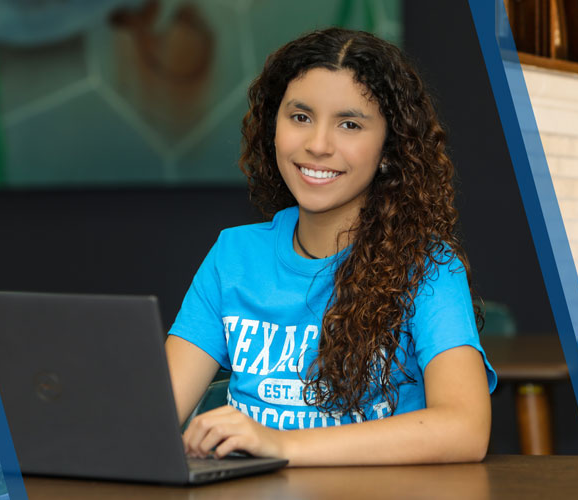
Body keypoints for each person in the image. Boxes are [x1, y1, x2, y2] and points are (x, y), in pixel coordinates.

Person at [163, 27, 496, 467]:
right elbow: (151, 418)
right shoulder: (233, 256)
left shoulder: (429, 266)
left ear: (389, 149)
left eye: (350, 124)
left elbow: (466, 429)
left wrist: (282, 447)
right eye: (300, 117)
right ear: (272, 127)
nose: (318, 145)